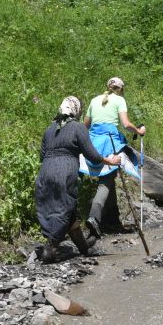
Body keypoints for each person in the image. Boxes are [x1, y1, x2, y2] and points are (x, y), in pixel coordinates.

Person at [35, 96, 119, 262]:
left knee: (66, 211)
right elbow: (92, 155)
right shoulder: (78, 128)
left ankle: (84, 248)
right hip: (65, 173)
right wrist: (110, 161)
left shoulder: (49, 129)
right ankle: (50, 248)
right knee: (64, 209)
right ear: (76, 110)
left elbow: (42, 156)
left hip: (45, 173)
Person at [82, 76, 145, 239]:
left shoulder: (94, 100)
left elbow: (85, 126)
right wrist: (139, 131)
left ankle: (112, 218)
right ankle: (94, 217)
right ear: (121, 89)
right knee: (107, 179)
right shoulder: (119, 100)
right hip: (109, 143)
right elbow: (126, 124)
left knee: (108, 175)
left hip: (93, 143)